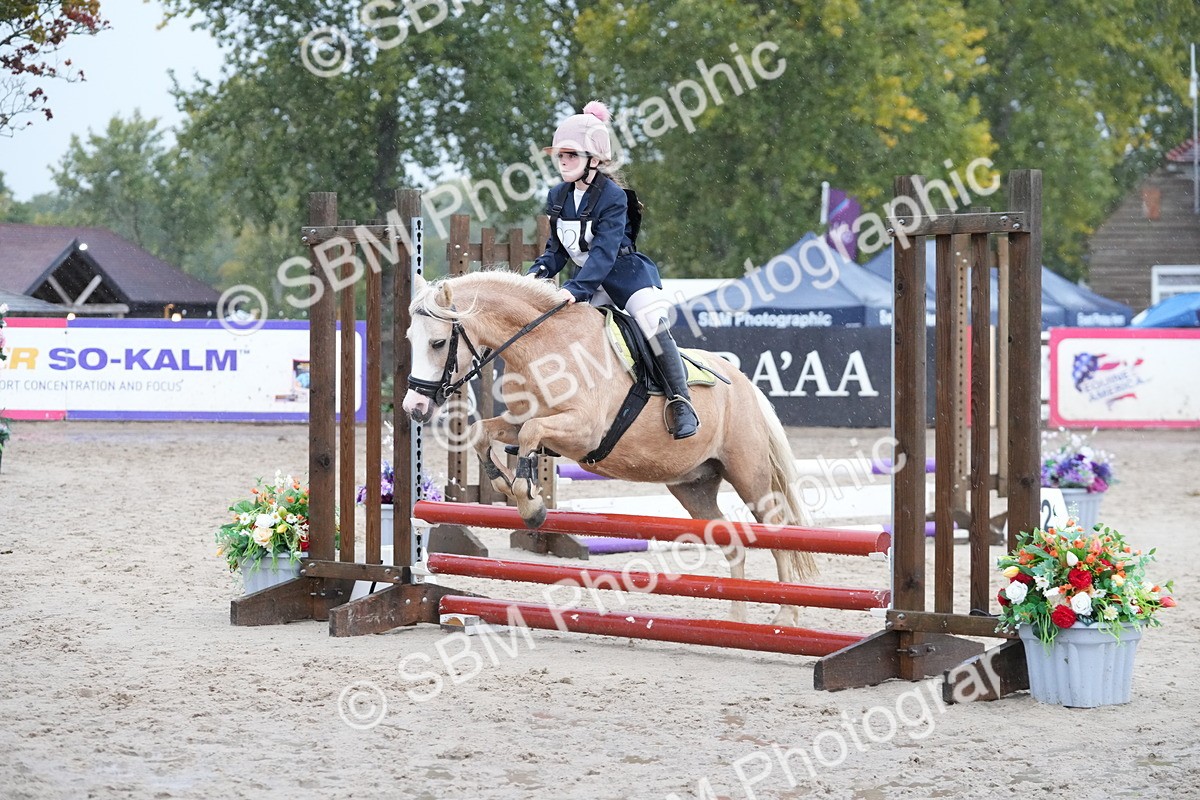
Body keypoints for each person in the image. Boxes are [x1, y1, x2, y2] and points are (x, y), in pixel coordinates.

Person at [527, 101, 699, 440]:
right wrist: (536, 276)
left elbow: (604, 254)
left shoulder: (614, 197)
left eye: (571, 156)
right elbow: (557, 251)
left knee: (651, 325)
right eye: (560, 156)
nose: (563, 162)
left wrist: (575, 290)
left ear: (594, 160)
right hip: (589, 282)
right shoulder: (557, 196)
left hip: (626, 276)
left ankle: (681, 402)